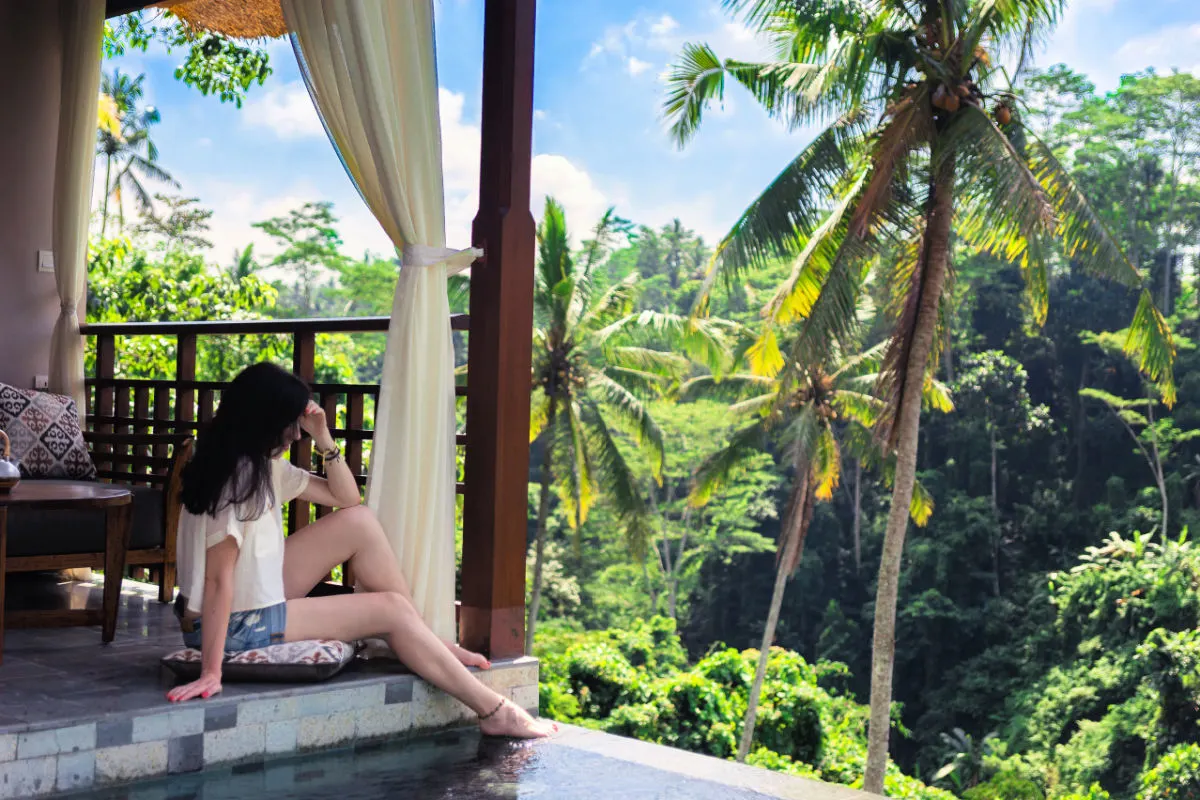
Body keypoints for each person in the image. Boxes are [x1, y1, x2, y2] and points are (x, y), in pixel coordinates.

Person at [166, 362, 555, 739]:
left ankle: (424, 642)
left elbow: (346, 499)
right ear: (266, 422)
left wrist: (324, 437)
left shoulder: (255, 464)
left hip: (247, 602)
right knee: (391, 609)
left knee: (360, 522)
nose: (296, 435)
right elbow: (218, 581)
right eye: (292, 424)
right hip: (231, 626)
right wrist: (211, 671)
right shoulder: (238, 482)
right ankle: (493, 711)